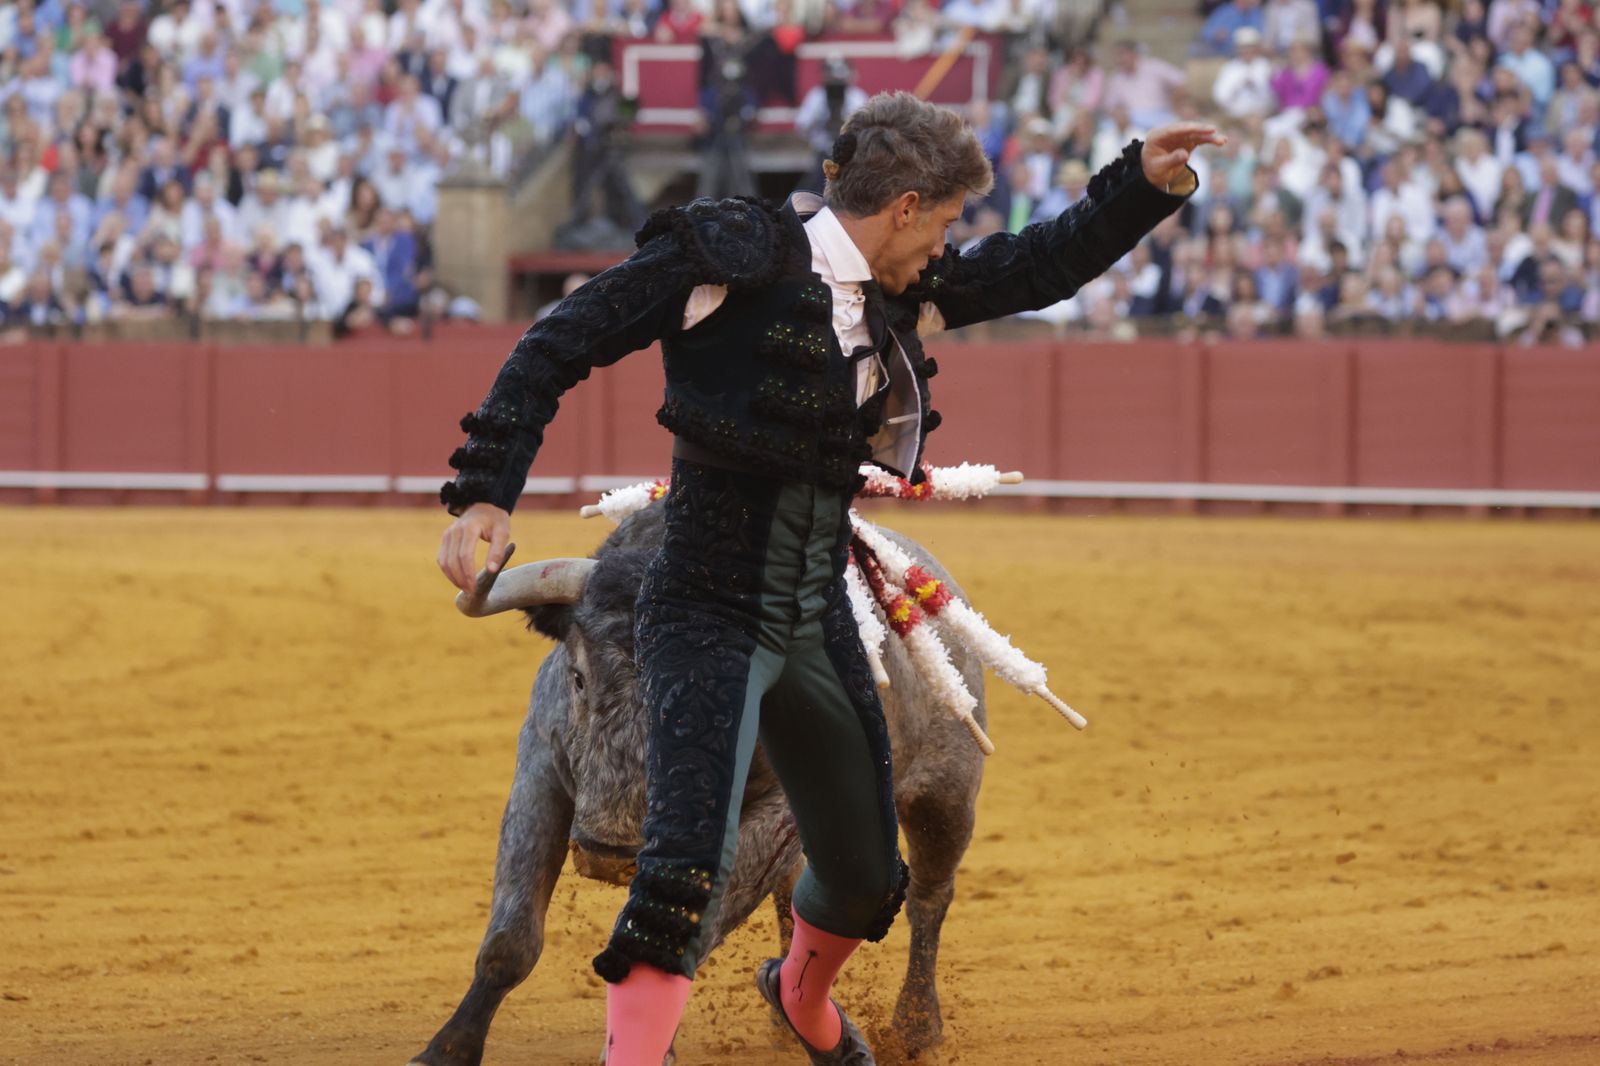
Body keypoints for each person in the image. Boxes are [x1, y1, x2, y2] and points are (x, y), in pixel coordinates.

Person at [436, 93, 1222, 1066]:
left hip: (813, 606)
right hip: (703, 607)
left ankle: (799, 993)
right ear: (901, 206)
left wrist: (1143, 185)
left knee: (862, 874)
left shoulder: (896, 291)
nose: (943, 246)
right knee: (679, 872)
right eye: (938, 222)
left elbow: (1035, 266)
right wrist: (484, 493)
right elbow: (561, 339)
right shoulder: (726, 256)